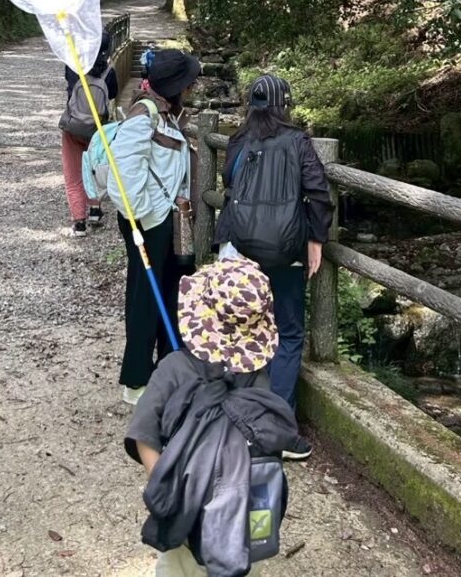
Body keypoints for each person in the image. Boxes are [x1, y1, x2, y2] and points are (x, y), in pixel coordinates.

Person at [125, 256, 298, 576]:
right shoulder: (258, 377)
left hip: (186, 516)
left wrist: (167, 487)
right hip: (241, 523)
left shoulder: (174, 368)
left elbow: (143, 434)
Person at [213, 74, 333, 459]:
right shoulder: (298, 142)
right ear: (285, 104)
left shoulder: (237, 141)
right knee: (289, 334)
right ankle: (280, 433)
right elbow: (317, 191)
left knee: (239, 329)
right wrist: (316, 239)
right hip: (285, 251)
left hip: (240, 246)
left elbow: (228, 183)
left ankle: (233, 423)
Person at [109, 49, 199, 405]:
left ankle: (166, 370)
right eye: (188, 84)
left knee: (168, 292)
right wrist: (148, 214)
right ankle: (136, 380)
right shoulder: (144, 114)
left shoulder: (166, 114)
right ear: (175, 85)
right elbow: (123, 172)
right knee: (145, 298)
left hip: (165, 220)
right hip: (150, 221)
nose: (191, 89)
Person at [62, 32, 119, 236]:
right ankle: (95, 210)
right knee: (94, 167)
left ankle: (79, 223)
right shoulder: (109, 71)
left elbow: (69, 87)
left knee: (73, 174)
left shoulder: (73, 65)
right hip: (99, 128)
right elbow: (112, 94)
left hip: (74, 127)